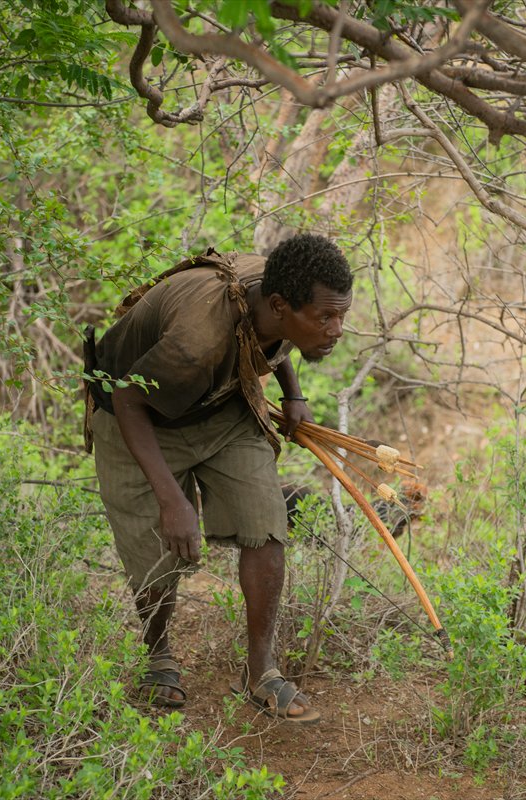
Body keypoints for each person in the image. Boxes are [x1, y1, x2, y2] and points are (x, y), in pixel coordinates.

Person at [86, 233, 353, 724]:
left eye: (342, 315)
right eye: (326, 318)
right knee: (158, 553)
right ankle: (158, 656)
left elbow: (270, 335)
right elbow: (128, 400)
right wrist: (173, 501)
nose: (337, 329)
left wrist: (293, 392)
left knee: (265, 522)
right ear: (280, 305)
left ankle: (261, 673)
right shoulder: (197, 340)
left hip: (222, 405)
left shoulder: (276, 288)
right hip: (135, 415)